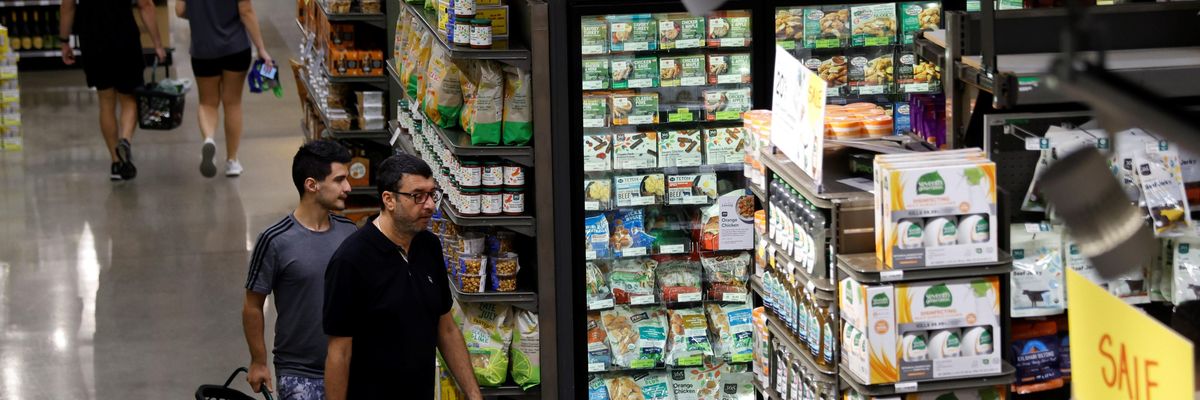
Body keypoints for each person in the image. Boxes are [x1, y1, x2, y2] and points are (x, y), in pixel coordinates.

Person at [323, 154, 482, 400]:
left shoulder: (429, 247)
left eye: (432, 194)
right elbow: (339, 351)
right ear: (389, 199)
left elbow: (446, 328)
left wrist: (473, 394)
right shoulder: (351, 261)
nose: (429, 205)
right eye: (417, 196)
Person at [243, 141, 356, 399]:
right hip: (299, 372)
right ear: (311, 184)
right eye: (339, 180)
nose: (348, 188)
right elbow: (252, 304)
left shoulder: (349, 233)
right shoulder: (274, 240)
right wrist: (258, 361)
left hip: (348, 366)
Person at [60, 0, 165, 181]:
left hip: (92, 39)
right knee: (129, 98)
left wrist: (64, 41)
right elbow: (145, 4)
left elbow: (67, 6)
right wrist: (157, 43)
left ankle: (116, 162)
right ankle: (125, 140)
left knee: (106, 102)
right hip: (124, 36)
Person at [175, 0, 272, 178]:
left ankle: (209, 138)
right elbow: (246, 11)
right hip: (235, 47)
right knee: (233, 103)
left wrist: (202, 16)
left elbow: (180, 10)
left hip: (203, 49)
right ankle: (232, 161)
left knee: (207, 103)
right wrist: (261, 47)